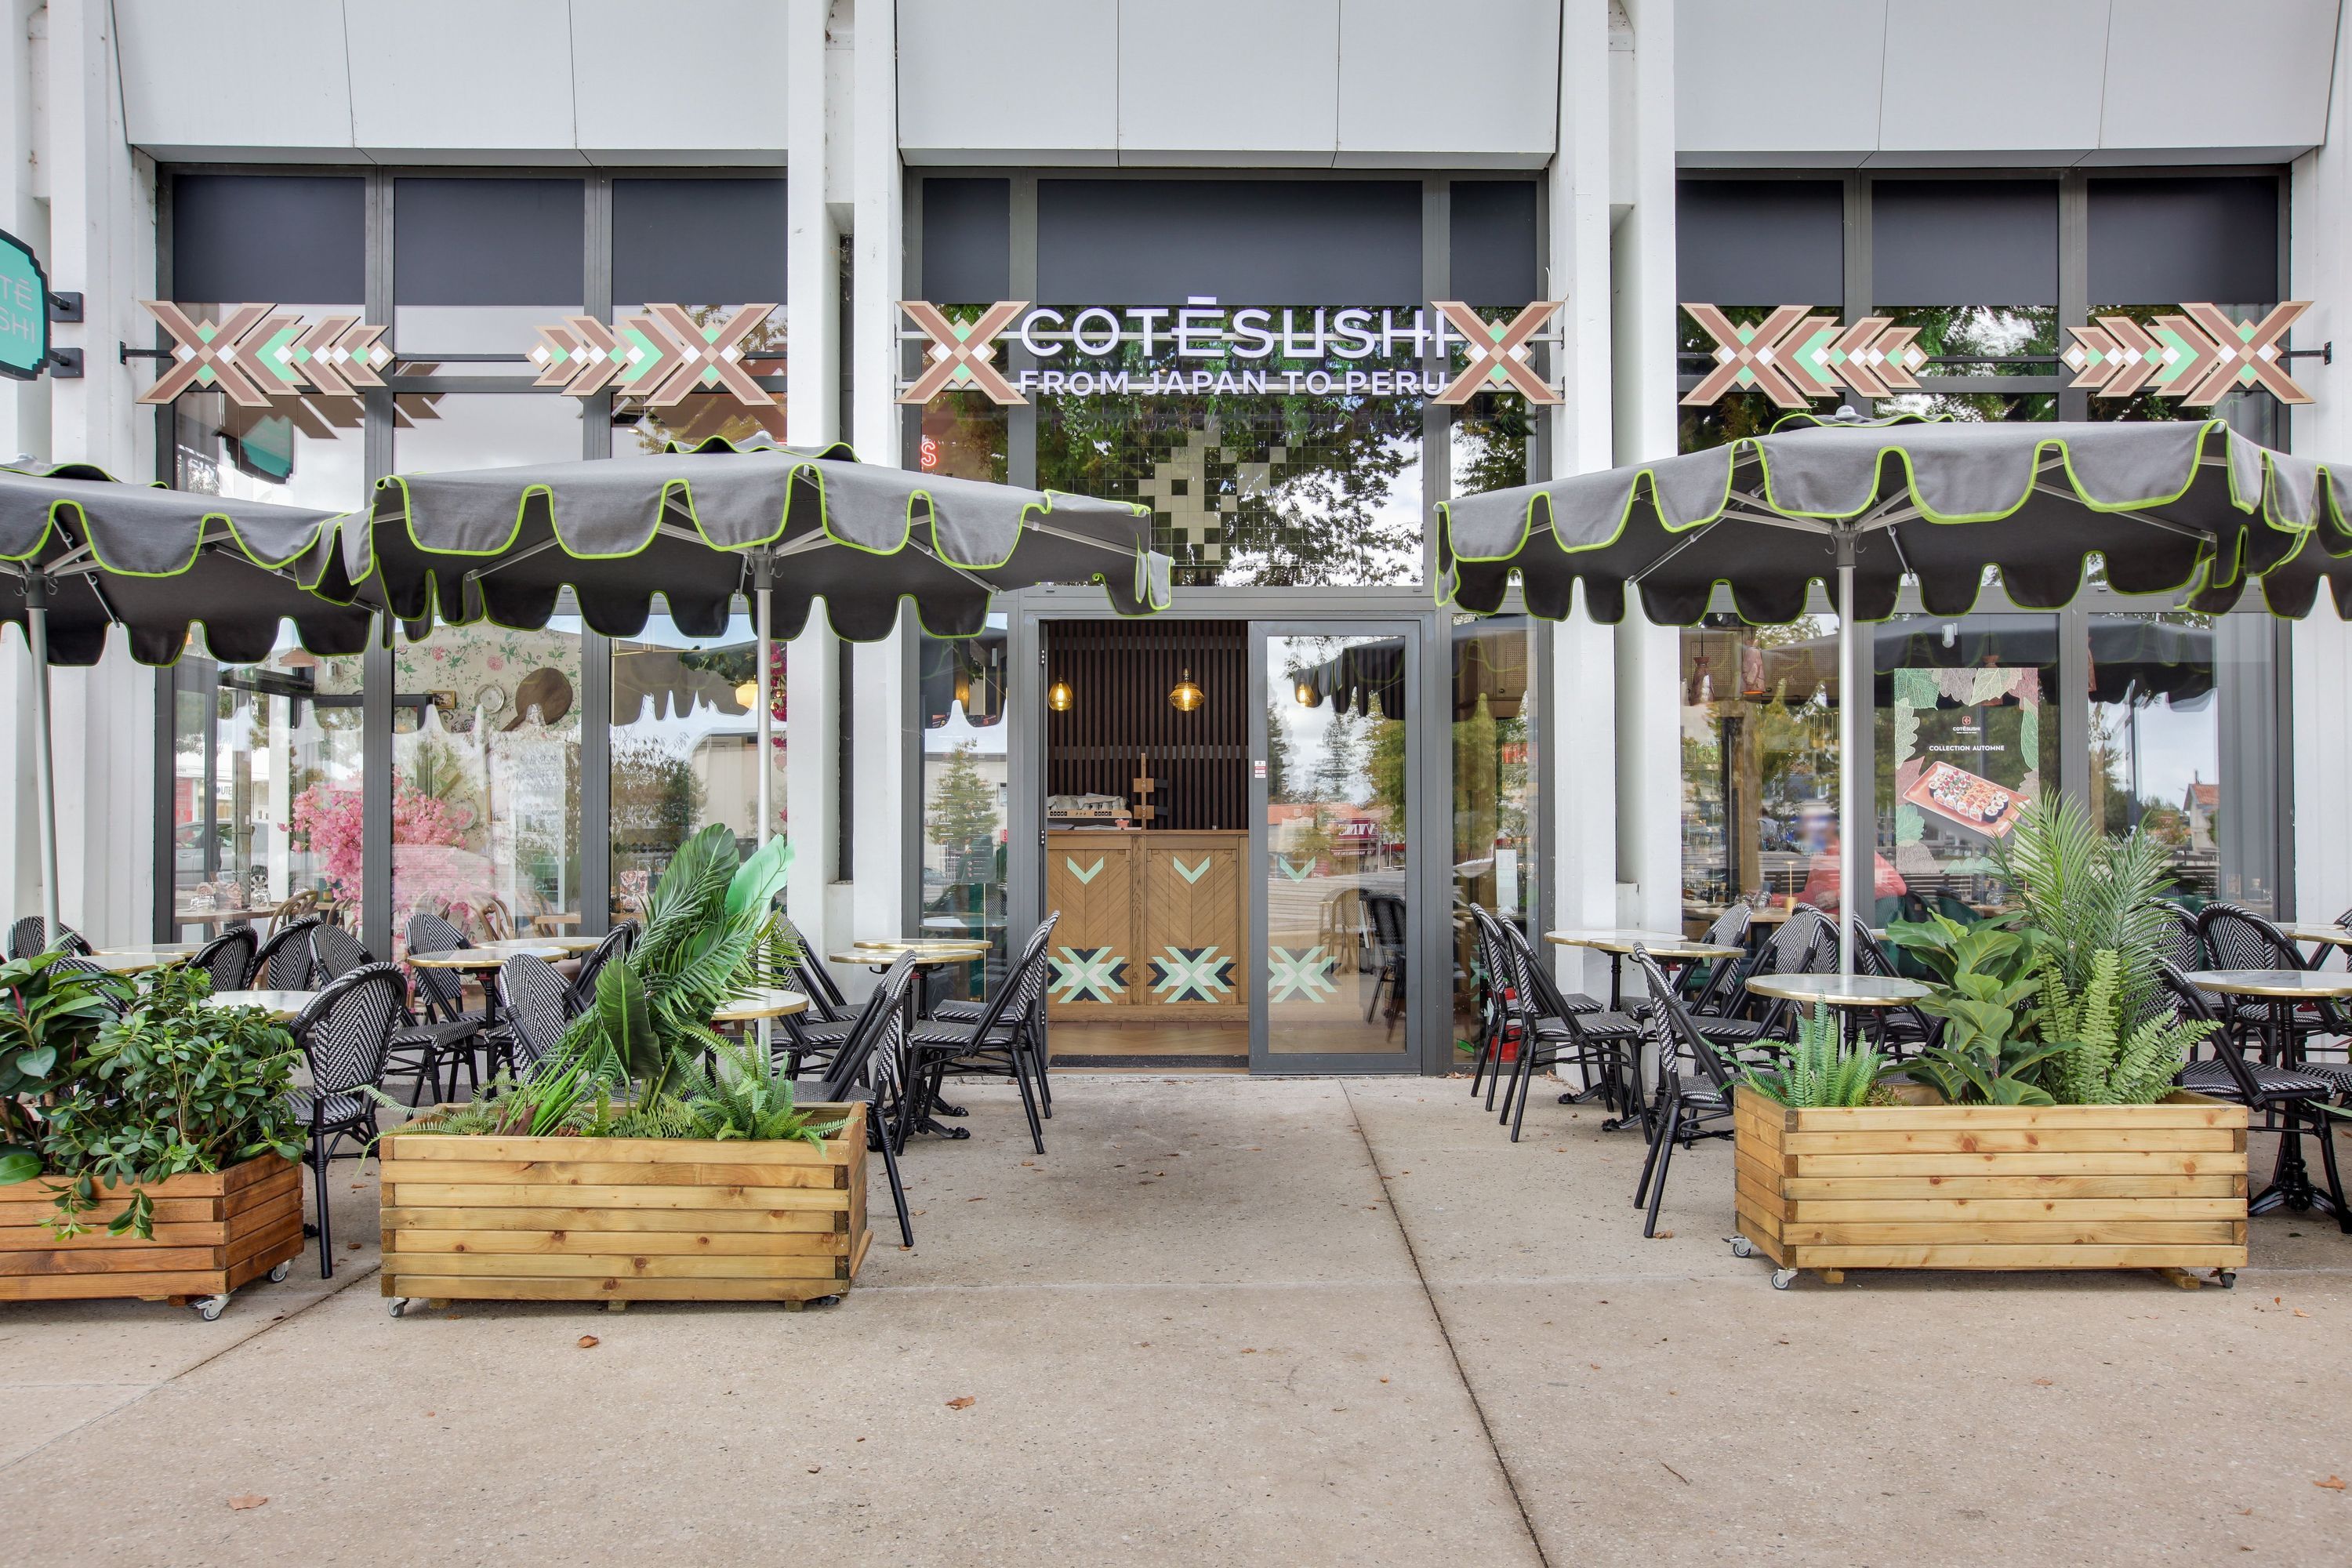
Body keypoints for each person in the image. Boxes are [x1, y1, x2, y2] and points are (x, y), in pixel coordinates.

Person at [1795, 801, 1906, 918]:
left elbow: (1898, 886)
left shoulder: (1856, 851)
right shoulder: (1818, 858)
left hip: (1850, 926)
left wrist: (1839, 896)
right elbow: (1809, 897)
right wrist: (1782, 899)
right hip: (1821, 922)